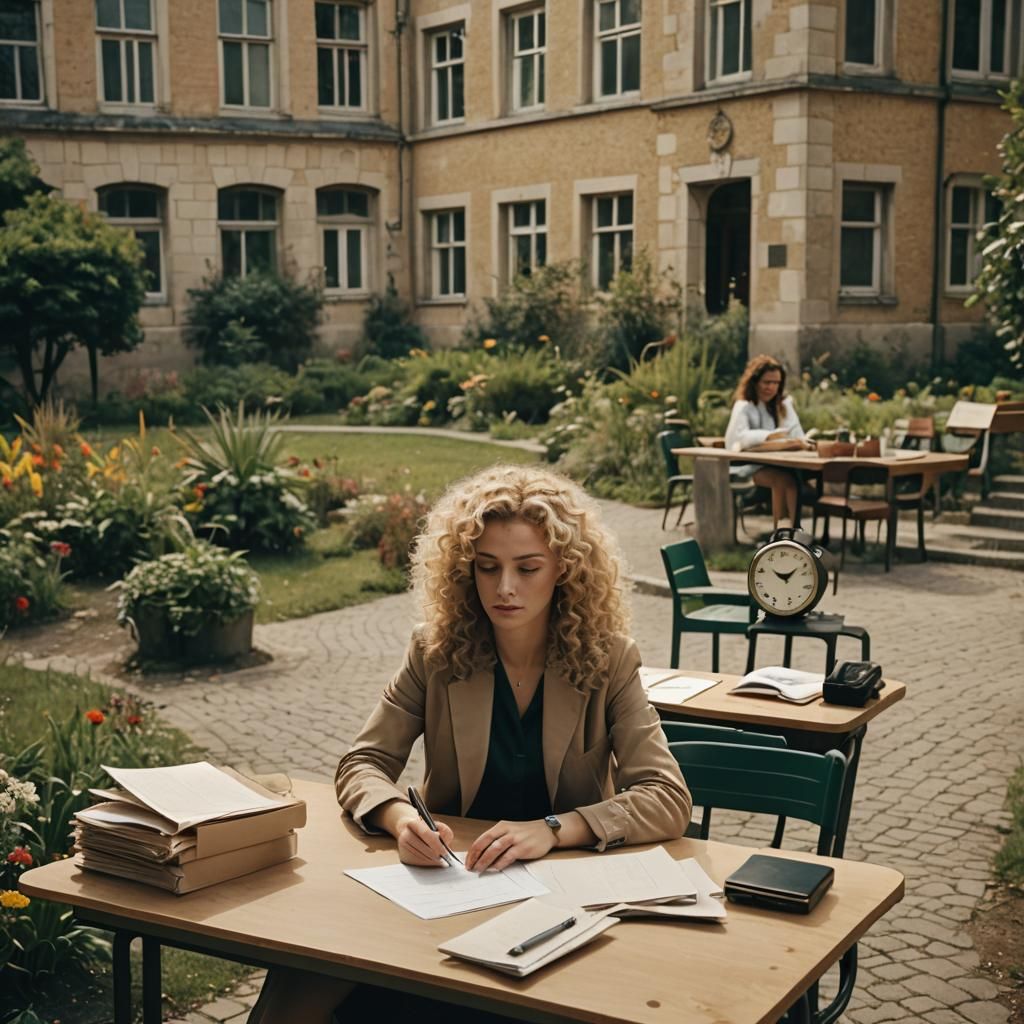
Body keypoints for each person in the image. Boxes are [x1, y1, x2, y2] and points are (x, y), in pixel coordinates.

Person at [248, 464, 692, 1024]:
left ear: (565, 571)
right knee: (298, 971)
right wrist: (397, 820)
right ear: (466, 571)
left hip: (560, 901)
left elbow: (667, 797)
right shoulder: (434, 652)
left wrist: (555, 829)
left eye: (527, 568)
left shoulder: (610, 658)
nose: (505, 588)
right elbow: (363, 762)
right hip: (449, 886)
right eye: (488, 568)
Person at [724, 354, 809, 528]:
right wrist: (768, 436)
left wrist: (798, 441)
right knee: (783, 479)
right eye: (766, 382)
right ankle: (783, 532)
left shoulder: (782, 405)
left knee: (793, 477)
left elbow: (796, 433)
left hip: (777, 463)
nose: (771, 387)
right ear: (755, 382)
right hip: (745, 466)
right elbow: (738, 438)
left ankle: (792, 530)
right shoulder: (744, 406)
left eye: (776, 383)